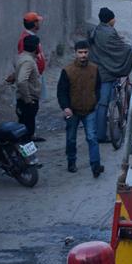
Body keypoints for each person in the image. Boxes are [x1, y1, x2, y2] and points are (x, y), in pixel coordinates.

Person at [88, 7, 132, 144]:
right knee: (103, 104)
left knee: (98, 103)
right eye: (114, 18)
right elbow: (119, 49)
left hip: (94, 71)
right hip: (105, 73)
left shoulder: (95, 30)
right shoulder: (109, 33)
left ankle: (96, 131)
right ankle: (100, 135)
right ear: (110, 19)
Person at [57, 40, 103, 177]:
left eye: (85, 52)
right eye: (80, 52)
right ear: (75, 53)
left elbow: (98, 87)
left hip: (89, 109)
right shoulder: (67, 71)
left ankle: (95, 165)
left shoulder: (94, 69)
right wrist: (65, 107)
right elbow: (62, 91)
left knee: (92, 137)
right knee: (71, 138)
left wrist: (95, 101)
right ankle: (71, 162)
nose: (83, 55)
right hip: (73, 110)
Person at [14, 34, 42, 142]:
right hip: (27, 101)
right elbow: (22, 80)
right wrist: (28, 100)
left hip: (24, 100)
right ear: (36, 47)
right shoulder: (28, 61)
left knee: (26, 125)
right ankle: (26, 152)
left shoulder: (22, 58)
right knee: (26, 129)